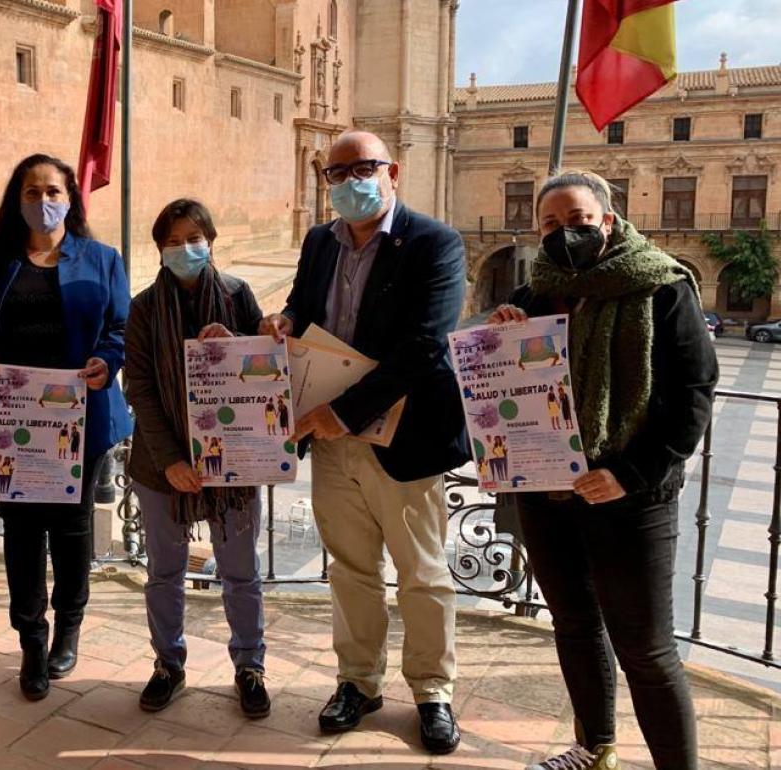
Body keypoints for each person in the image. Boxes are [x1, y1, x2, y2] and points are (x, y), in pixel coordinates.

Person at [489, 170, 716, 770]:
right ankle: (594, 748)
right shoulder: (537, 293)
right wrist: (502, 338)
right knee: (575, 625)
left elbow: (693, 392)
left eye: (579, 220)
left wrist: (628, 473)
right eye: (551, 224)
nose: (566, 233)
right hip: (548, 495)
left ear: (608, 221)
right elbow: (509, 381)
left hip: (631, 499)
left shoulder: (663, 287)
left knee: (645, 649)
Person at [260, 130, 467, 755]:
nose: (350, 181)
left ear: (392, 171)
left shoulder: (435, 243)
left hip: (403, 434)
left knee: (422, 572)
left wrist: (343, 412)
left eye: (363, 168)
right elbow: (304, 303)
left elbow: (425, 344)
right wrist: (287, 321)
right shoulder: (321, 240)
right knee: (351, 570)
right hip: (329, 438)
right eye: (337, 172)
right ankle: (359, 682)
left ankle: (432, 691)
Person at [0, 153, 132, 701]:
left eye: (53, 191)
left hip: (80, 419)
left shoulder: (102, 259)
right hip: (13, 420)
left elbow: (120, 328)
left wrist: (108, 360)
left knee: (73, 528)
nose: (43, 201)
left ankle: (69, 624)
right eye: (32, 192)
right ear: (17, 200)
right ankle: (31, 639)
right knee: (22, 533)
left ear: (71, 197)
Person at [124, 199, 270, 718]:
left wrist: (238, 347)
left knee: (241, 572)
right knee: (165, 571)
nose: (185, 248)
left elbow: (268, 371)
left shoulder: (237, 296)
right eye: (173, 240)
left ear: (211, 239)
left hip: (232, 462)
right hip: (161, 467)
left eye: (194, 237)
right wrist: (169, 462)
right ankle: (168, 664)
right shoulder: (143, 308)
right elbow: (138, 388)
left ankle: (249, 665)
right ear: (160, 248)